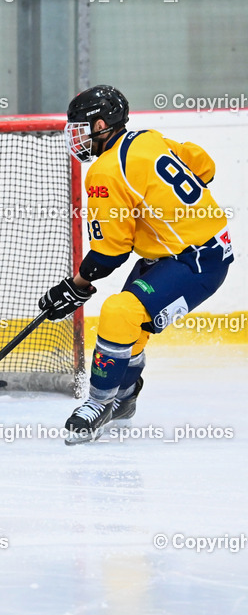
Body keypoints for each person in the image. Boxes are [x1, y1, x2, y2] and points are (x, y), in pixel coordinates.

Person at [38, 85, 233, 444]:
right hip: (193, 250)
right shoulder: (148, 139)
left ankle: (99, 402)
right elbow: (204, 164)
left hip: (197, 262)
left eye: (81, 127)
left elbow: (111, 253)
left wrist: (75, 286)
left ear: (101, 125)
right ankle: (125, 398)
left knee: (119, 311)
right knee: (134, 326)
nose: (76, 137)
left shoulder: (105, 172)